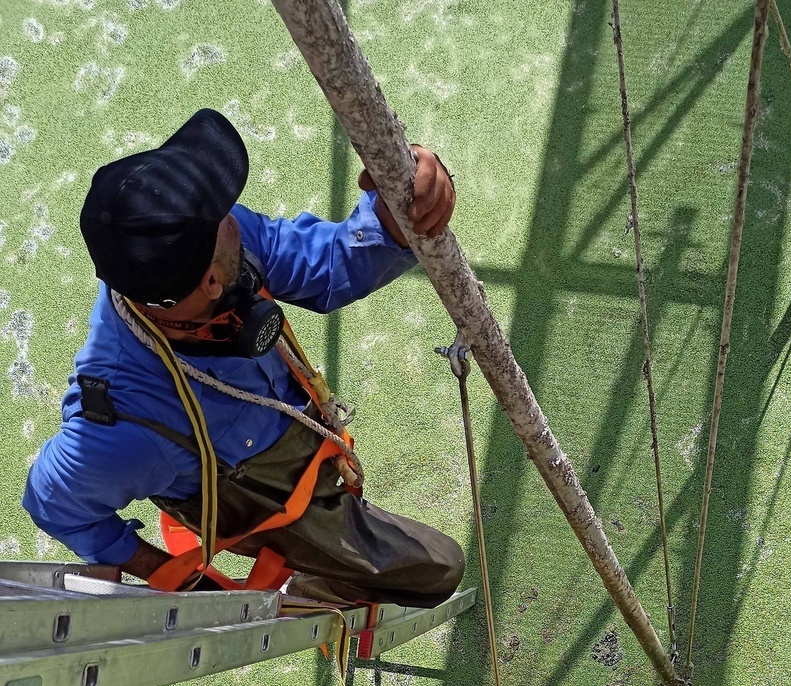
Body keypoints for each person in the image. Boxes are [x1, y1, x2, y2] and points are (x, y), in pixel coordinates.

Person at [22, 108, 465, 606]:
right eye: (224, 219)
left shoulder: (201, 252)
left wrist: (400, 215)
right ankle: (311, 590)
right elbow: (51, 502)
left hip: (298, 441)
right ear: (213, 281)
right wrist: (165, 572)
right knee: (441, 567)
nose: (237, 218)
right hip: (266, 507)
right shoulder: (122, 428)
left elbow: (328, 264)